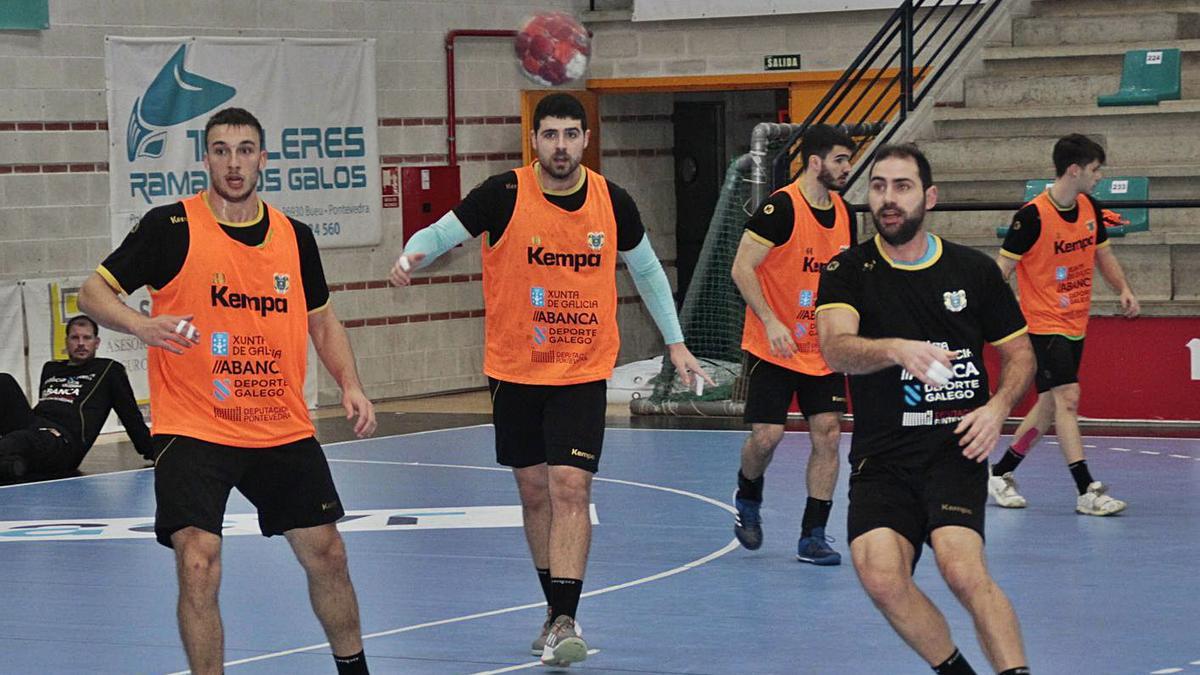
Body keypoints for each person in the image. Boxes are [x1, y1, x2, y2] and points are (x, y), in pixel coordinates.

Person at [389, 92, 711, 668]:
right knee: (534, 490)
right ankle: (553, 612)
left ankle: (565, 617)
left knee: (570, 486)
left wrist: (677, 344)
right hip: (514, 369)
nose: (560, 145)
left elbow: (647, 272)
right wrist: (411, 256)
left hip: (582, 369)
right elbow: (440, 233)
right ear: (534, 141)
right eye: (550, 135)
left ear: (586, 140)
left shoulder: (612, 202)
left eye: (570, 134)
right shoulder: (504, 194)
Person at [78, 107, 375, 675]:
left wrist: (351, 384)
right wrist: (141, 326)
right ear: (206, 158)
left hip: (278, 423)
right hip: (195, 426)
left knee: (328, 555)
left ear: (263, 159)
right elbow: (93, 293)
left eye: (244, 150)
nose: (233, 162)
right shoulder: (170, 228)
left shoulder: (295, 237)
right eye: (220, 150)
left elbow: (322, 320)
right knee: (197, 559)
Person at [815, 144, 1034, 675]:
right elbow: (834, 346)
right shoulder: (848, 270)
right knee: (880, 574)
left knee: (962, 569)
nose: (889, 199)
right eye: (880, 186)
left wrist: (998, 407)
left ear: (929, 197)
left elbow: (1021, 356)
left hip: (952, 448)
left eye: (903, 186)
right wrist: (895, 349)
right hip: (882, 456)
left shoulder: (974, 271)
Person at [988, 133, 1138, 516]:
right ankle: (1087, 489)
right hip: (1042, 323)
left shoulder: (1090, 207)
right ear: (1074, 170)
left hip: (1076, 321)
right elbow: (999, 272)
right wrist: (985, 317)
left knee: (1048, 407)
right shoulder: (1032, 217)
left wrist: (1123, 289)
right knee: (1067, 399)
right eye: (1094, 169)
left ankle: (1000, 473)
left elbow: (1104, 255)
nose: (1099, 176)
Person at [730, 124, 855, 565]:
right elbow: (742, 268)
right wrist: (771, 320)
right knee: (767, 436)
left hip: (823, 348)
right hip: (774, 345)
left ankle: (813, 534)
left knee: (829, 433)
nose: (847, 168)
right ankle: (748, 493)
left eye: (849, 160)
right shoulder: (780, 207)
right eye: (840, 160)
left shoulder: (844, 213)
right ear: (816, 162)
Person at [0, 315, 152, 480]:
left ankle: (12, 461)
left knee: (17, 440)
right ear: (67, 342)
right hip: (36, 428)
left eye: (87, 338)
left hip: (63, 441)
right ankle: (11, 464)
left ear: (97, 342)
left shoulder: (108, 370)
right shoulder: (51, 368)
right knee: (4, 381)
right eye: (75, 337)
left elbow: (130, 415)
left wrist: (152, 451)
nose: (81, 343)